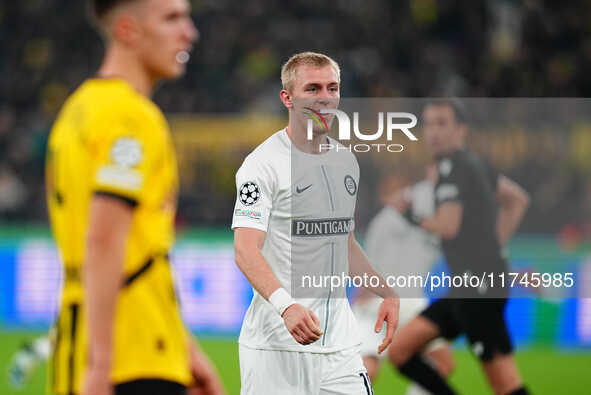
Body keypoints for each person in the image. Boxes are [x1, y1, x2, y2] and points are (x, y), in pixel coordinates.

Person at [46, 1, 224, 394]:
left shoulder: (79, 110)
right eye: (172, 18)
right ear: (128, 30)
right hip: (132, 357)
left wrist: (185, 349)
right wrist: (101, 364)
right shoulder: (131, 118)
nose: (189, 33)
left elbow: (138, 252)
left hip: (90, 342)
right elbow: (105, 238)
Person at [232, 51, 399, 395]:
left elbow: (346, 244)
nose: (325, 97)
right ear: (288, 98)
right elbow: (246, 250)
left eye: (332, 87)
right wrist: (287, 307)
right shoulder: (261, 165)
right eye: (312, 88)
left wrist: (387, 291)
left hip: (340, 349)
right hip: (277, 348)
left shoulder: (345, 161)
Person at [388, 99, 531, 395]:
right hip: (466, 287)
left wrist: (409, 214)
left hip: (479, 291)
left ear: (461, 130)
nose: (433, 132)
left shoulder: (453, 168)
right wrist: (493, 247)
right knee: (401, 351)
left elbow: (448, 226)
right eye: (428, 124)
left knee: (505, 384)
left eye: (442, 123)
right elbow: (517, 199)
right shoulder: (477, 163)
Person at [352, 165, 454, 394]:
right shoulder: (431, 213)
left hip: (375, 301)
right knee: (442, 362)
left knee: (366, 367)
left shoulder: (381, 223)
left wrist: (358, 297)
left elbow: (366, 262)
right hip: (404, 303)